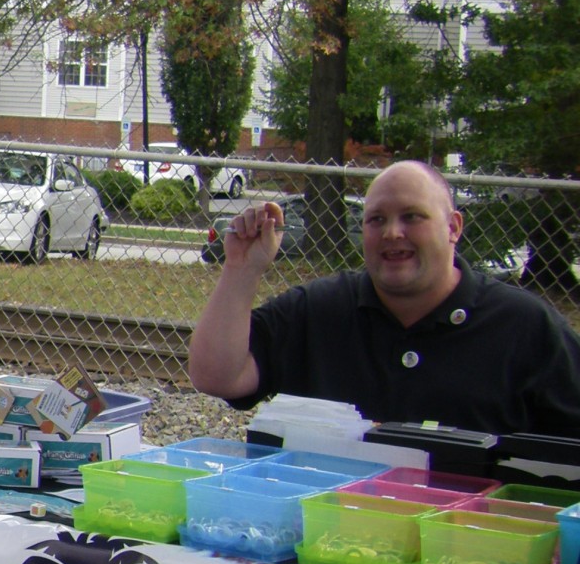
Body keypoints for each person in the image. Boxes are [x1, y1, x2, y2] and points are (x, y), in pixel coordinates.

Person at [188, 160, 580, 438]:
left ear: (453, 227)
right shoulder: (320, 309)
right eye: (376, 220)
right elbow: (217, 376)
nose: (392, 233)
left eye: (412, 217)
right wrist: (241, 269)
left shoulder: (524, 327)